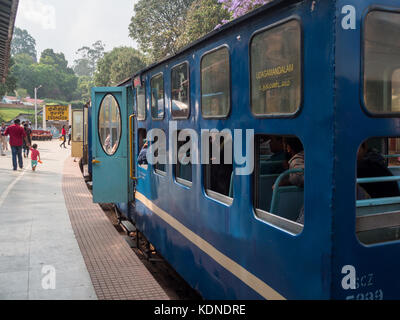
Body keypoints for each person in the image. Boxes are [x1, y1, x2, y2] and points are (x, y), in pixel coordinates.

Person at [273, 137, 305, 223]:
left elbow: (300, 178)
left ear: (288, 147)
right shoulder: (305, 156)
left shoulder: (296, 161)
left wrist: (285, 182)